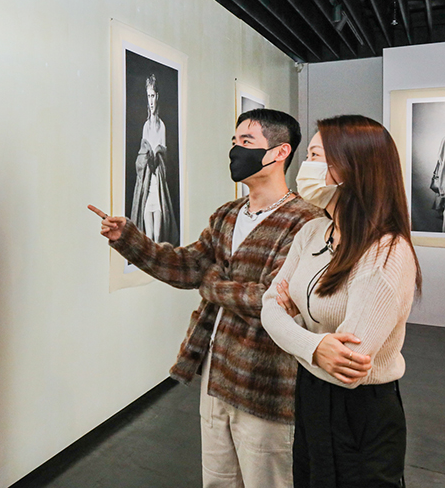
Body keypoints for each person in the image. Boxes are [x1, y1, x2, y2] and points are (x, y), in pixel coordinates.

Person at [95, 109, 323, 487]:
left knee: (267, 481)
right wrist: (129, 240)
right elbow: (188, 267)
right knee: (218, 480)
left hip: (265, 384)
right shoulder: (227, 215)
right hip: (216, 376)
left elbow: (274, 300)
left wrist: (212, 283)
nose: (235, 151)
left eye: (246, 142)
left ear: (280, 152)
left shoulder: (307, 221)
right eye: (234, 142)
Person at [261, 115, 420, 488]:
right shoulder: (313, 230)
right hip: (311, 395)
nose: (304, 166)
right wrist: (316, 347)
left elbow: (348, 368)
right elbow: (268, 304)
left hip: (362, 412)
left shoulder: (386, 252)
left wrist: (292, 327)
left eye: (316, 154)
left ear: (351, 167)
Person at [130, 74, 179, 244]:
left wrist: (158, 151)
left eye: (153, 96)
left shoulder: (162, 126)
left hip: (157, 188)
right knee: (148, 237)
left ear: (157, 97)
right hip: (146, 186)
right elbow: (141, 158)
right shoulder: (145, 126)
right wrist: (147, 156)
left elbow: (165, 160)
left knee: (158, 238)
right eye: (148, 96)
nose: (150, 101)